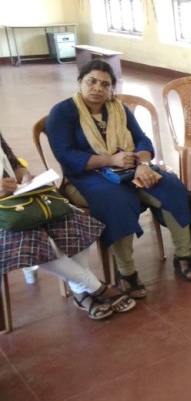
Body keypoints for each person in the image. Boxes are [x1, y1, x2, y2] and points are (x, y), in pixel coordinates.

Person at [47, 60, 191, 299]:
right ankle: (126, 272)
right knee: (117, 199)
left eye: (105, 84)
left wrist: (142, 164)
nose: (98, 88)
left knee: (170, 185)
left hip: (129, 169)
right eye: (91, 81)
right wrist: (111, 160)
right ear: (80, 82)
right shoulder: (63, 113)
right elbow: (66, 155)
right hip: (85, 178)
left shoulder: (118, 109)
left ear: (111, 89)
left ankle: (184, 254)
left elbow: (142, 140)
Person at [1, 132, 135, 320]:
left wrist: (25, 177)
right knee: (33, 243)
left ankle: (80, 292)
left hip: (15, 200)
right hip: (5, 216)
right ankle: (98, 288)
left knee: (71, 219)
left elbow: (15, 165)